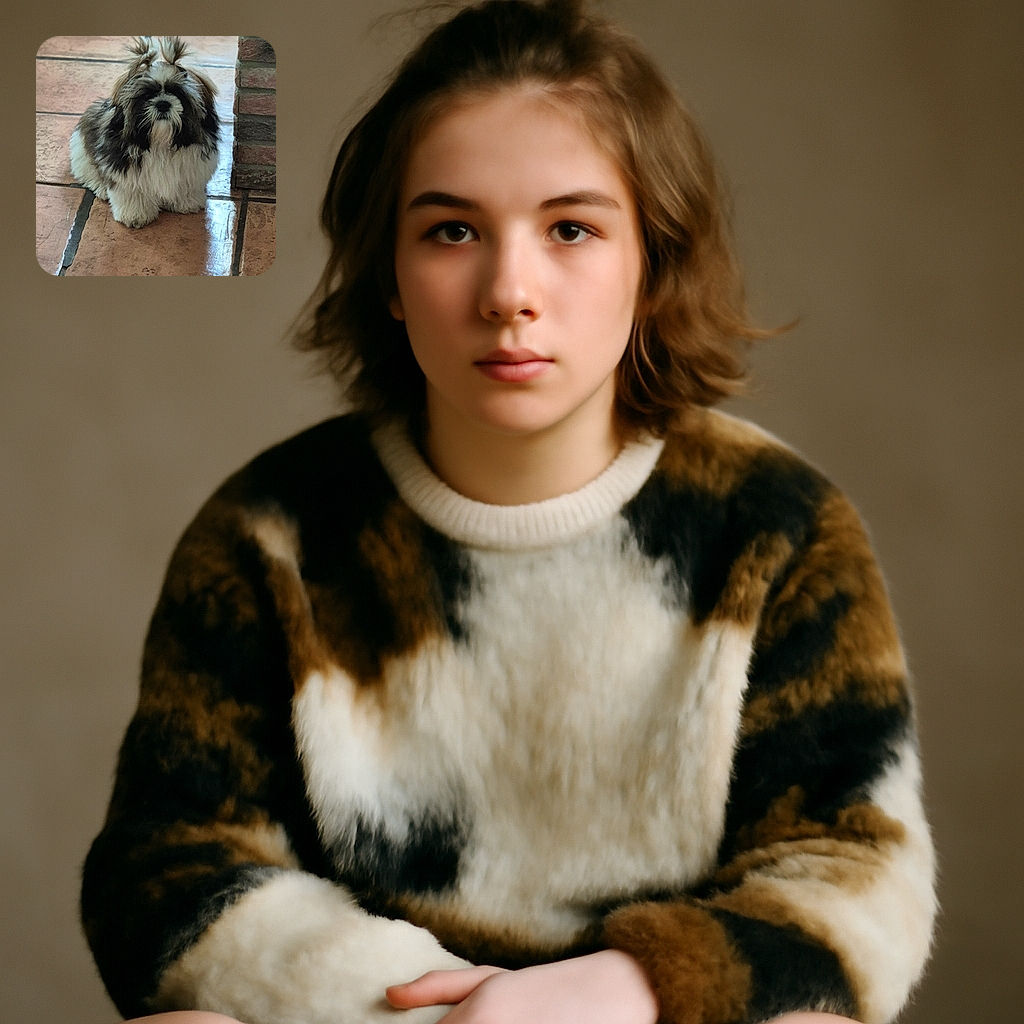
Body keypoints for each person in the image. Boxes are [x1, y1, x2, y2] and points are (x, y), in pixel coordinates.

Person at [82, 2, 936, 1023]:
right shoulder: (268, 534)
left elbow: (856, 878)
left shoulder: (778, 527)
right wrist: (424, 1005)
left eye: (571, 228)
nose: (508, 290)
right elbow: (164, 867)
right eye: (451, 231)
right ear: (389, 276)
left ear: (651, 262)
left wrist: (619, 988)